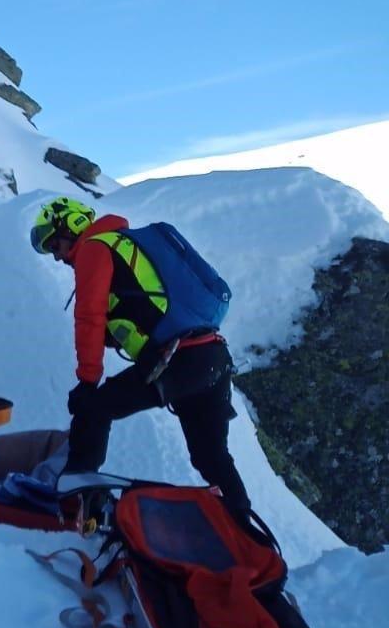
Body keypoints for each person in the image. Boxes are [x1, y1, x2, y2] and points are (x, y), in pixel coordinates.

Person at [31, 196, 250, 516]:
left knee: (93, 408)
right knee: (211, 457)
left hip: (179, 359)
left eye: (56, 245)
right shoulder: (127, 244)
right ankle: (245, 532)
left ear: (73, 227)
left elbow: (88, 318)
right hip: (213, 356)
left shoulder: (95, 248)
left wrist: (87, 381)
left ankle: (74, 505)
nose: (58, 257)